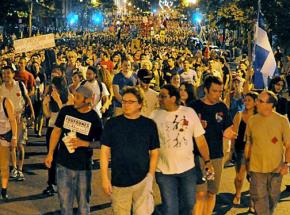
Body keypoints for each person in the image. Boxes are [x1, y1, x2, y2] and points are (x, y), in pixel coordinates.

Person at [151, 84, 214, 215]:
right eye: (159, 96)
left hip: (188, 170)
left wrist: (207, 161)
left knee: (189, 204)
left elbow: (200, 140)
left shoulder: (189, 113)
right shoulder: (154, 115)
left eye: (163, 96)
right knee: (170, 209)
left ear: (173, 98)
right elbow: (147, 142)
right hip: (163, 172)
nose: (160, 99)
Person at [100, 87, 159, 215]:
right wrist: (104, 178)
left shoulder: (149, 125)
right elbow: (104, 153)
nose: (126, 105)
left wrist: (150, 176)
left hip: (143, 181)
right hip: (119, 182)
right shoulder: (112, 124)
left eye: (130, 102)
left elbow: (154, 152)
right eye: (124, 101)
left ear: (140, 104)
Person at [44, 85, 103, 215]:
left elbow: (101, 142)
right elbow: (56, 131)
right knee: (65, 206)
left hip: (83, 168)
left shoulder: (94, 118)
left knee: (83, 207)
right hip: (63, 165)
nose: (74, 99)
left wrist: (84, 143)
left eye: (77, 97)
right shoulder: (66, 111)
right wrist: (50, 154)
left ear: (87, 100)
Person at [190, 75, 236, 215]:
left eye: (220, 91)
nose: (218, 94)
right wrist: (195, 126)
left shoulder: (222, 106)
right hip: (197, 156)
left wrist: (232, 135)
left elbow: (228, 128)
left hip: (216, 155)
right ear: (206, 90)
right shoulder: (194, 106)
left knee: (211, 192)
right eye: (215, 91)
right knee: (200, 193)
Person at [245, 90, 290, 215]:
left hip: (276, 169)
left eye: (260, 101)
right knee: (260, 199)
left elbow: (289, 145)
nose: (256, 103)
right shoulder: (252, 120)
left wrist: (287, 164)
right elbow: (249, 143)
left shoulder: (282, 121)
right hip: (256, 168)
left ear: (270, 105)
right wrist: (247, 162)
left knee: (272, 199)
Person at [0, 65, 34, 181]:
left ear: (13, 74)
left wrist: (32, 113)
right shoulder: (1, 88)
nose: (6, 75)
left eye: (8, 73)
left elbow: (27, 98)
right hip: (7, 120)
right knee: (11, 145)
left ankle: (20, 169)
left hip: (20, 119)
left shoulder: (20, 85)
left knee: (20, 144)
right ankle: (14, 168)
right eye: (4, 73)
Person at [42, 76, 74, 195]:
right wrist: (45, 105)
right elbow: (48, 115)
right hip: (52, 127)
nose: (53, 89)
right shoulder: (50, 96)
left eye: (55, 87)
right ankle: (52, 183)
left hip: (66, 129)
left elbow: (67, 115)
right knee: (52, 155)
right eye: (52, 87)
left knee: (67, 156)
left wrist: (59, 101)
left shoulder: (70, 97)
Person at [232, 92, 258, 208]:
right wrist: (231, 150)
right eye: (245, 100)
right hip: (241, 149)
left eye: (249, 100)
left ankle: (252, 202)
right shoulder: (239, 115)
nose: (246, 102)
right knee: (239, 176)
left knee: (254, 177)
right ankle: (238, 194)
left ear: (255, 102)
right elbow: (233, 134)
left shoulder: (260, 117)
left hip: (256, 150)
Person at [0, 95, 17, 201]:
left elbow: (12, 120)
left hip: (4, 138)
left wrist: (14, 137)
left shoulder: (5, 101)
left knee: (4, 166)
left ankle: (3, 190)